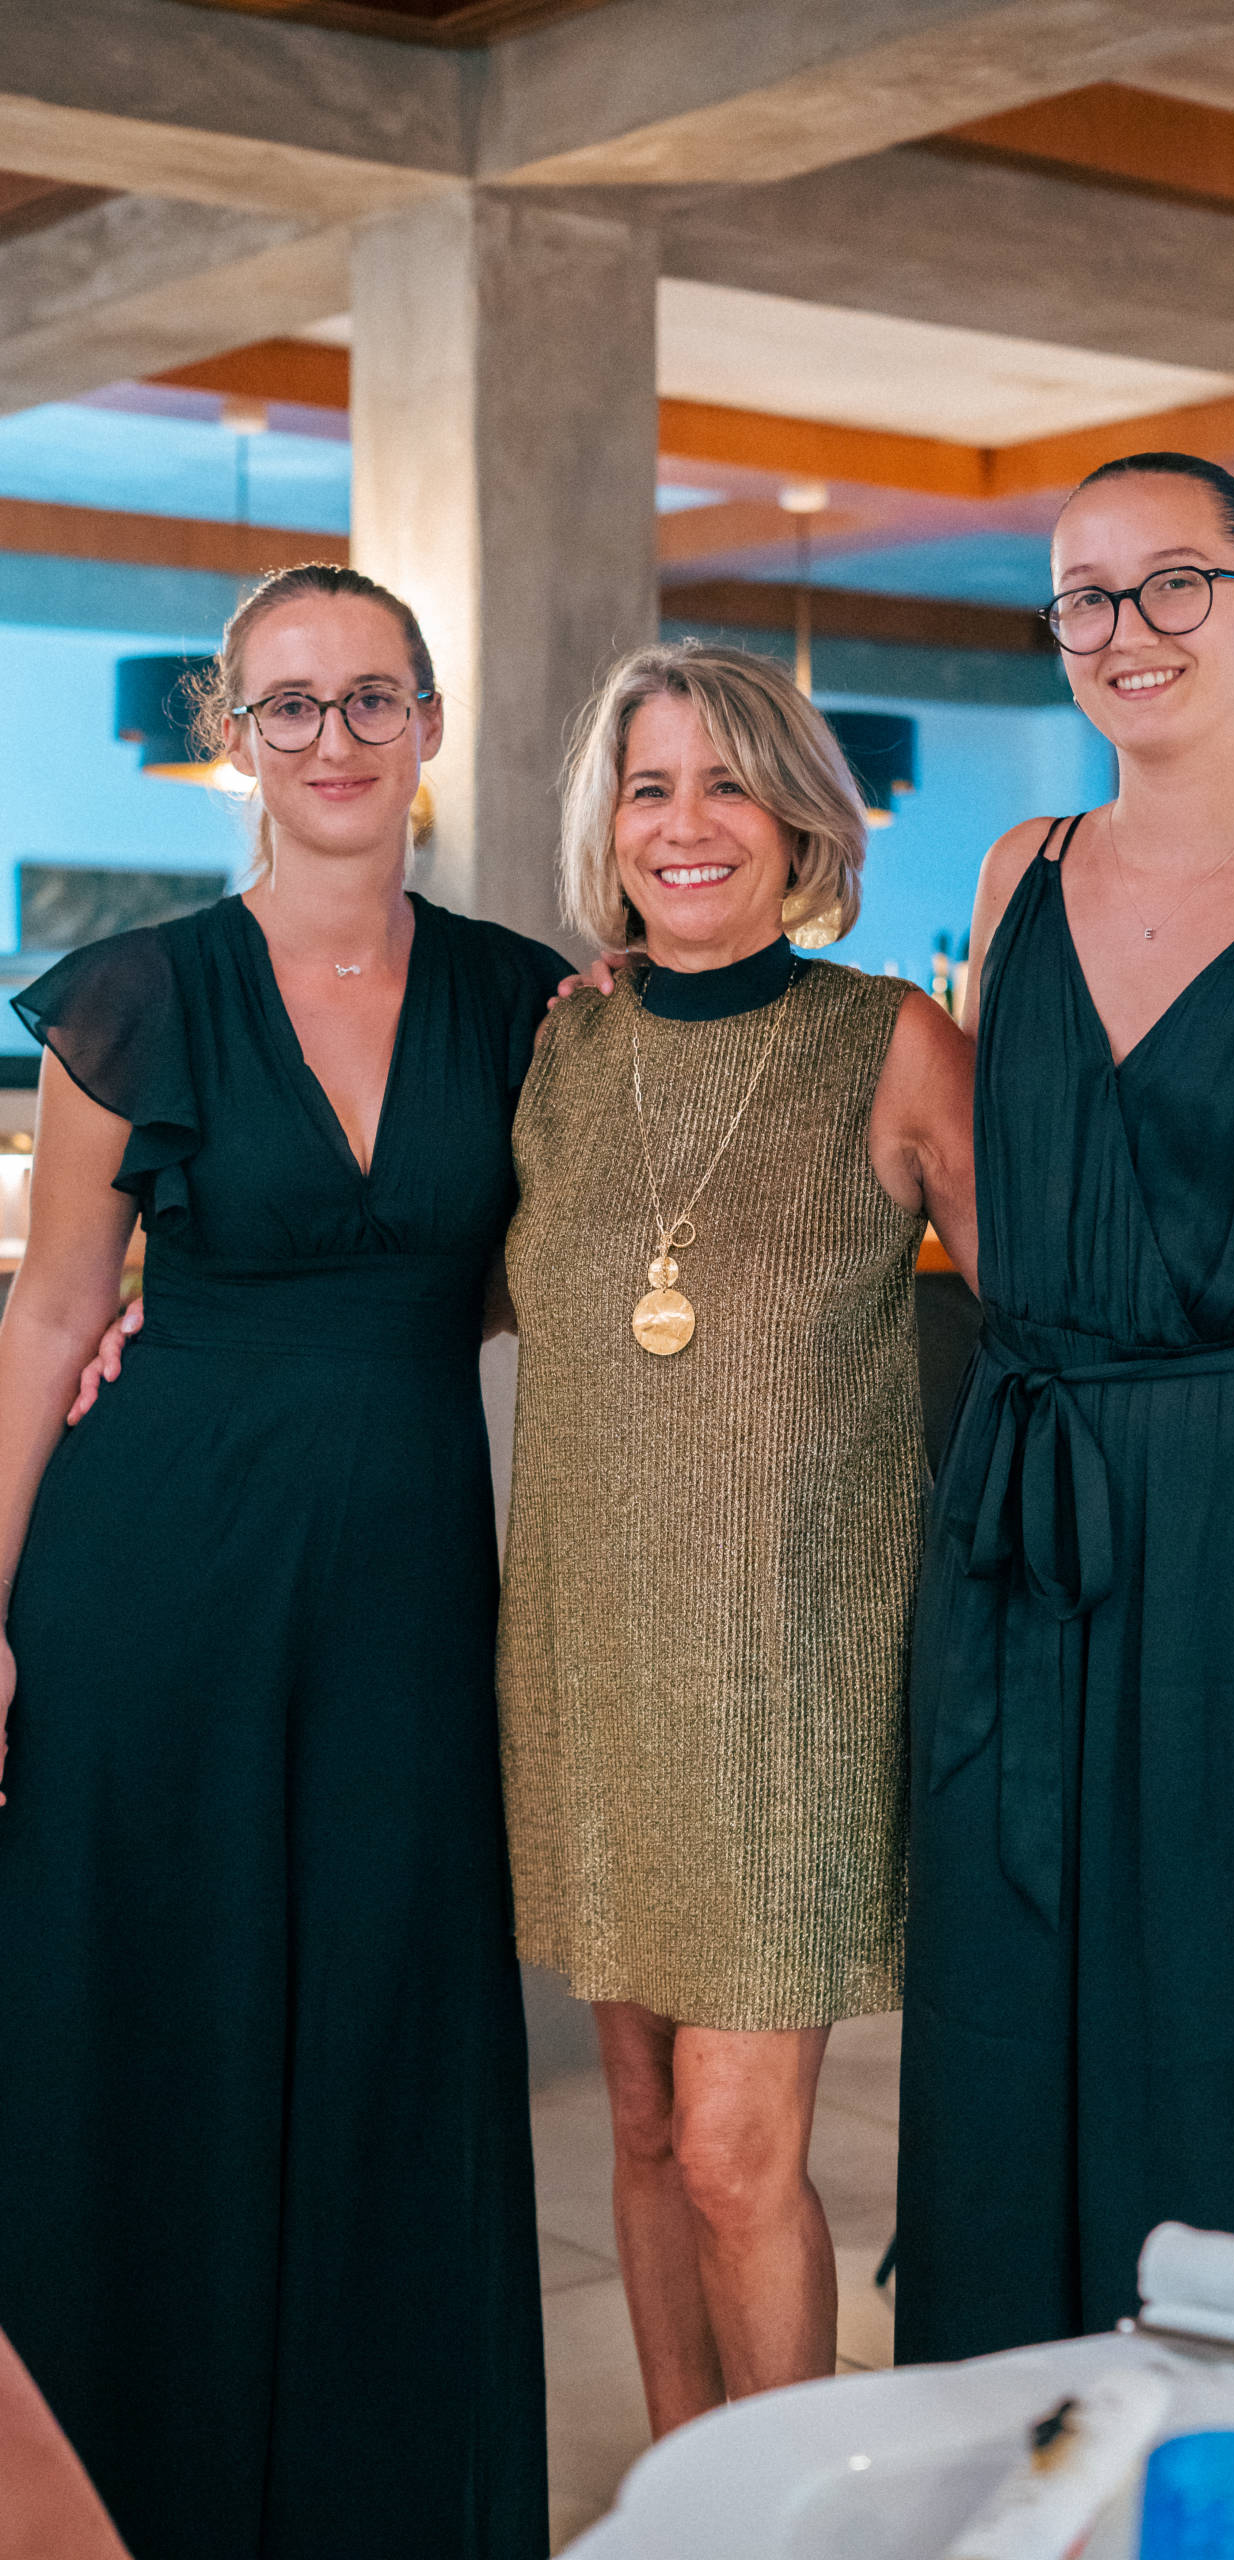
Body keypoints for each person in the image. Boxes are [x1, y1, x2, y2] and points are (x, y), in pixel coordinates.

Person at [0, 564, 561, 2560]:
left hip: (405, 1570)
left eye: (371, 698)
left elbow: (565, 1274)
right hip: (155, 1568)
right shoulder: (134, 994)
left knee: (393, 2022)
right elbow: (54, 1313)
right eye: (290, 705)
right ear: (233, 737)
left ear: (428, 723)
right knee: (155, 2022)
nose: (335, 739)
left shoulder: (526, 999)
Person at [894, 452, 1234, 2368]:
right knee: (1004, 2010)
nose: (1125, 630)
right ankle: (1009, 2432)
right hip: (1020, 1517)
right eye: (1084, 595)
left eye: (1171, 584)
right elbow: (975, 1170)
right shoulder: (1016, 872)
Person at [495, 640, 976, 2433]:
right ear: (607, 829)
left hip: (792, 1691)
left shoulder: (889, 1042)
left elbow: (1068, 1315)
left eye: (726, 783)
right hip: (592, 1662)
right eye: (648, 787)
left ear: (796, 820)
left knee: (727, 2152)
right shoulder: (561, 1052)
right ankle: (678, 2501)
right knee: (637, 2131)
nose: (684, 823)